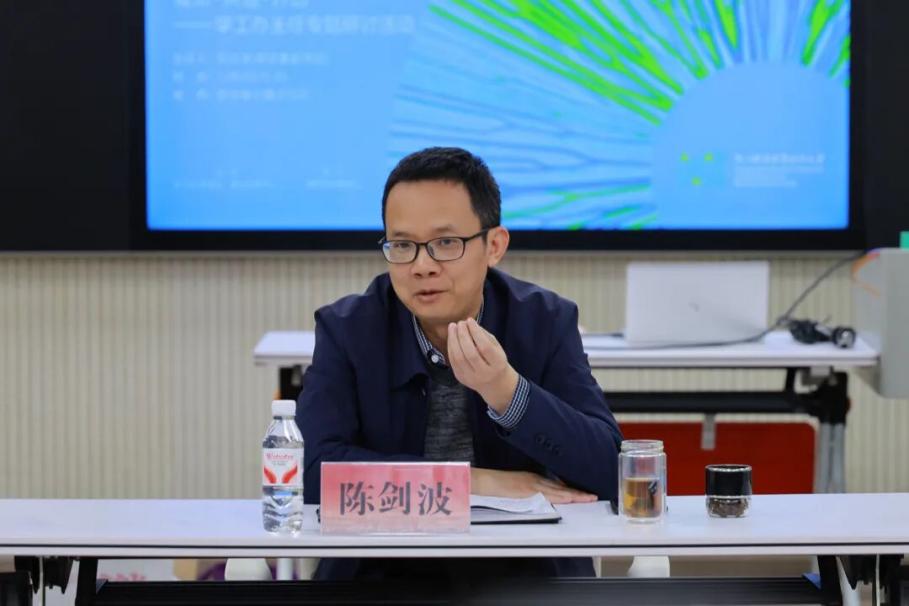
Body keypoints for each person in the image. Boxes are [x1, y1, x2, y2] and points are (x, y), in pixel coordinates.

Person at [298, 147, 622, 580]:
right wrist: (472, 483)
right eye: (403, 245)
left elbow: (610, 470)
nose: (422, 266)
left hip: (524, 572)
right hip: (381, 573)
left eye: (445, 243)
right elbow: (312, 475)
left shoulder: (545, 321)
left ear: (494, 246)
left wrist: (507, 392)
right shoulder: (348, 329)